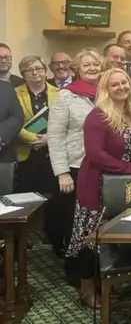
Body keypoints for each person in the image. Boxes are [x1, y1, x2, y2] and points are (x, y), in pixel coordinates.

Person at [65, 68, 131, 308]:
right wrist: (130, 167)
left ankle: (107, 284)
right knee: (90, 239)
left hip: (126, 187)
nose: (121, 87)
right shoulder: (98, 116)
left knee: (115, 238)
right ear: (106, 89)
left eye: (124, 82)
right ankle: (87, 289)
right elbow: (95, 154)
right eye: (115, 84)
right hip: (97, 186)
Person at [48, 48, 102, 258]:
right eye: (86, 64)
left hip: (103, 166)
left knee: (97, 219)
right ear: (77, 68)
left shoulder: (107, 94)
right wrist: (62, 172)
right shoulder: (65, 96)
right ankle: (76, 265)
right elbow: (55, 136)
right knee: (74, 219)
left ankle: (95, 261)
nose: (92, 68)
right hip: (76, 167)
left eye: (96, 64)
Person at [14, 56, 58, 250]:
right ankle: (26, 238)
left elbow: (64, 121)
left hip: (51, 151)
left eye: (39, 68)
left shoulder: (59, 93)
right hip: (26, 152)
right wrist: (32, 139)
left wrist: (48, 138)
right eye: (29, 70)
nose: (35, 72)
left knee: (51, 195)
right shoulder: (15, 94)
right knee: (26, 195)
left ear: (45, 70)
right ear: (23, 74)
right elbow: (13, 121)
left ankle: (50, 235)